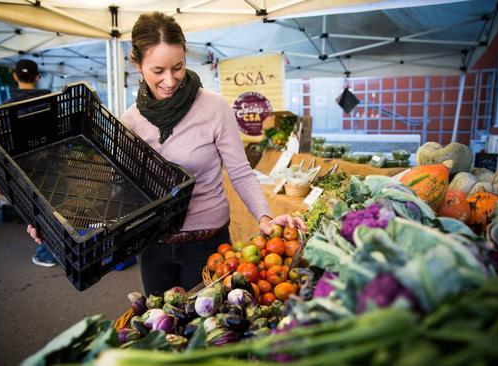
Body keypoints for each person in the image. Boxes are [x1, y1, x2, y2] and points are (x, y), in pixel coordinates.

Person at [28, 12, 306, 294]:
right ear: (137, 65)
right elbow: (118, 192)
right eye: (158, 71)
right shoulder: (130, 121)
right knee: (163, 327)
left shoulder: (214, 108)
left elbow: (240, 172)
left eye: (178, 67)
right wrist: (59, 223)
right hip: (153, 247)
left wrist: (265, 217)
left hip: (208, 245)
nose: (170, 81)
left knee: (208, 330)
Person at [5, 59, 56, 268]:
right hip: (54, 164)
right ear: (37, 77)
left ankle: (48, 253)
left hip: (23, 170)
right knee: (55, 209)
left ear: (15, 76)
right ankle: (52, 251)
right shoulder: (51, 102)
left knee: (38, 213)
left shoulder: (6, 107)